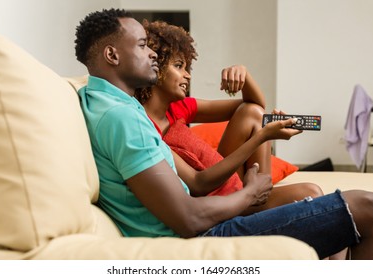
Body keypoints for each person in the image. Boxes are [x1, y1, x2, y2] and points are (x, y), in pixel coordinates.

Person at [75, 8, 373, 259]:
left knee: (354, 218)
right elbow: (189, 218)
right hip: (203, 235)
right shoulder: (121, 118)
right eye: (142, 45)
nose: (152, 53)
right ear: (112, 55)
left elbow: (195, 181)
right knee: (367, 206)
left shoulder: (111, 104)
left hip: (208, 221)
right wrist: (250, 192)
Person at [134, 20, 322, 213]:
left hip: (228, 184)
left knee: (251, 113)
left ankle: (261, 194)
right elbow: (198, 185)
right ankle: (258, 200)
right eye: (179, 66)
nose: (188, 76)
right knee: (312, 193)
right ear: (157, 67)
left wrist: (244, 74)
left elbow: (253, 106)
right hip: (214, 200)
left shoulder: (178, 108)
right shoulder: (143, 127)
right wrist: (263, 136)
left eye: (187, 68)